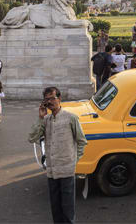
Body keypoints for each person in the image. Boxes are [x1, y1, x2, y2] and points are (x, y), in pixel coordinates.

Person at [28, 87, 87, 224]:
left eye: (52, 98)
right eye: (47, 99)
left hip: (67, 171)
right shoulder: (46, 120)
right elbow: (32, 138)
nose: (50, 102)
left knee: (68, 211)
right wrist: (40, 118)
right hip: (52, 172)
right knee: (56, 210)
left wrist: (73, 161)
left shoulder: (71, 118)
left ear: (59, 99)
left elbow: (82, 142)